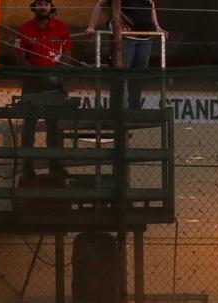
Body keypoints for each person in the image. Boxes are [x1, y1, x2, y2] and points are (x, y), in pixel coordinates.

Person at [17, 0, 72, 178]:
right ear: (34, 7)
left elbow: (68, 54)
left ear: (51, 7)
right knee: (29, 124)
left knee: (54, 124)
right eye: (39, 3)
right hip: (32, 82)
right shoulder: (24, 28)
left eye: (46, 3)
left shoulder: (61, 27)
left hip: (54, 82)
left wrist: (56, 73)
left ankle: (54, 164)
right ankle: (27, 165)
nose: (43, 7)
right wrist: (33, 73)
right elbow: (18, 55)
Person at [85, 0, 166, 109]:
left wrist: (157, 26)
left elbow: (151, 5)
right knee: (121, 74)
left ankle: (135, 109)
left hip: (145, 36)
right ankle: (117, 109)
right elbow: (100, 4)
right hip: (124, 36)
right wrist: (91, 26)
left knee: (138, 75)